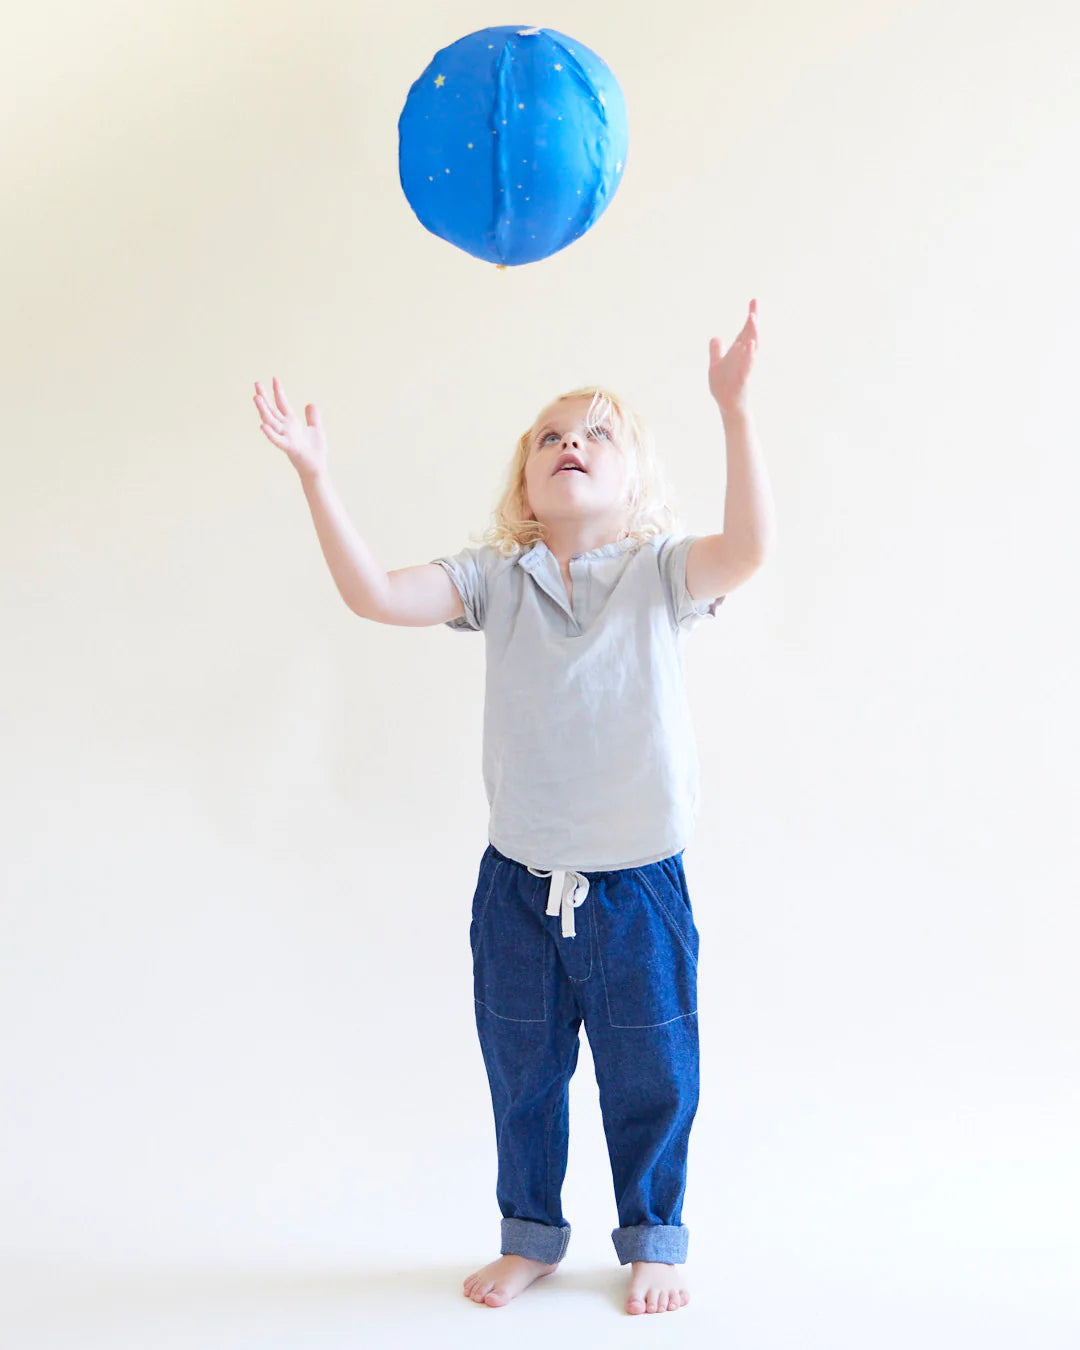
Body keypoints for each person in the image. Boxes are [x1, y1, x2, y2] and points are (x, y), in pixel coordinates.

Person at [252, 299, 775, 1316]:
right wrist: (318, 477)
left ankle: (653, 1234)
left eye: (596, 433)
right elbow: (375, 595)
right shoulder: (497, 577)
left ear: (631, 484)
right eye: (549, 438)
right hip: (519, 885)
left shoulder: (660, 571)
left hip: (638, 886)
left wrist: (736, 412)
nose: (570, 442)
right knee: (523, 1071)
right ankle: (530, 1232)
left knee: (651, 1070)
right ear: (526, 492)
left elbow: (748, 550)